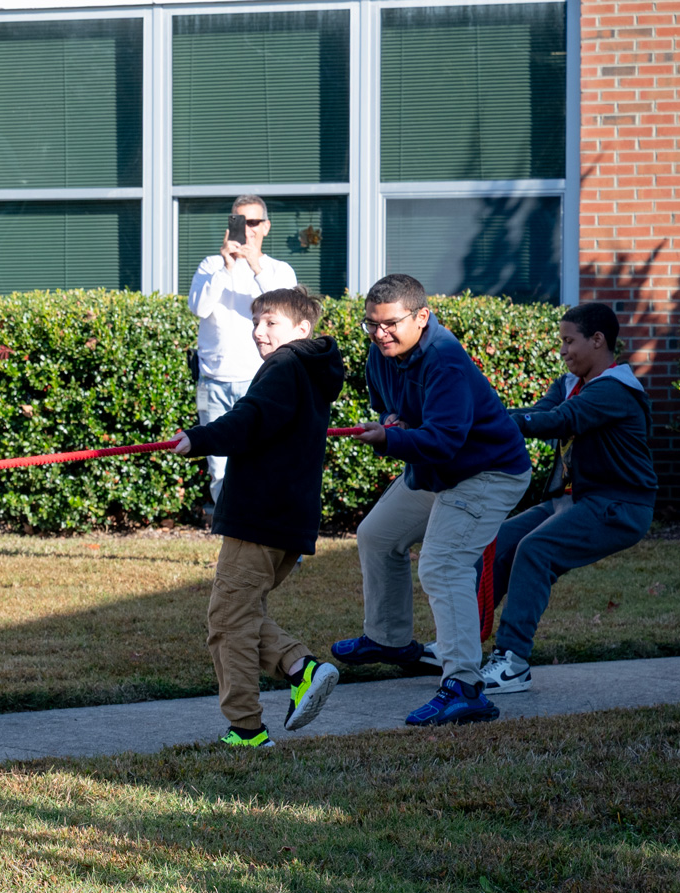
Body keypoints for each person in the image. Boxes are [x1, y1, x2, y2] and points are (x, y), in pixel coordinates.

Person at [331, 274, 531, 726]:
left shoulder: (445, 360)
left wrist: (388, 439)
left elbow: (444, 440)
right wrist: (391, 420)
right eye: (371, 324)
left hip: (487, 472)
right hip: (438, 469)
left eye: (390, 324)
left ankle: (465, 687)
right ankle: (389, 639)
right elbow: (385, 402)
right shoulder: (382, 351)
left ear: (422, 317)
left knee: (443, 565)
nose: (379, 333)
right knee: (377, 536)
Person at [172, 286, 346, 748]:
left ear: (302, 328)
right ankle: (301, 669)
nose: (259, 331)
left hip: (259, 518)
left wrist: (200, 438)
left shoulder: (285, 365)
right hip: (287, 519)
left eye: (271, 322)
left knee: (229, 623)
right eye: (255, 322)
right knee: (236, 614)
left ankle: (246, 730)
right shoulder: (311, 370)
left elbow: (250, 419)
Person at [478, 302, 655, 693]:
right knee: (497, 543)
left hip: (619, 505)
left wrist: (484, 422)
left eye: (569, 341)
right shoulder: (569, 385)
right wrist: (476, 419)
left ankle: (512, 662)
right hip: (573, 500)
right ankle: (461, 648)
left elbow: (558, 420)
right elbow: (539, 411)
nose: (562, 350)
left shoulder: (615, 390)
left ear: (597, 340)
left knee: (536, 549)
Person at [187, 195, 299, 506]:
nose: (246, 229)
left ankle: (266, 530)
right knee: (219, 469)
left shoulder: (279, 270)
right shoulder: (212, 265)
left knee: (267, 461)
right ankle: (229, 533)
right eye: (239, 222)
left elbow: (288, 313)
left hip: (262, 382)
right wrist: (227, 267)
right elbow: (198, 308)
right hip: (214, 382)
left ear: (266, 227)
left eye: (253, 222)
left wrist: (254, 266)